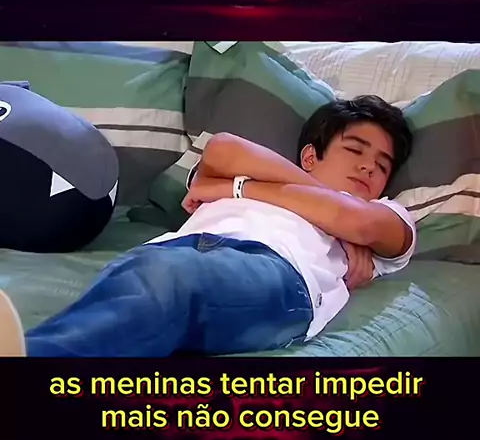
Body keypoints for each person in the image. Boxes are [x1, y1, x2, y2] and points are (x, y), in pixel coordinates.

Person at [1, 95, 416, 357]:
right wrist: (314, 204)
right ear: (310, 157)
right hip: (174, 248)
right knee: (140, 285)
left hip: (278, 271)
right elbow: (222, 147)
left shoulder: (391, 213)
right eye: (356, 150)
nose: (368, 167)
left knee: (166, 281)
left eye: (382, 165)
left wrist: (233, 188)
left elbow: (357, 221)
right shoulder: (267, 170)